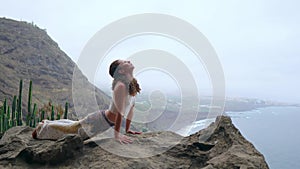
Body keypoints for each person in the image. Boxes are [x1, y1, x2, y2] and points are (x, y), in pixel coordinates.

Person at [32, 59, 141, 144]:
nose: (129, 61)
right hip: (100, 121)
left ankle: (47, 123)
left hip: (104, 121)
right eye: (125, 62)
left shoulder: (131, 86)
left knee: (74, 127)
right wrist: (117, 135)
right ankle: (41, 130)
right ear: (121, 71)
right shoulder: (121, 86)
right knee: (72, 131)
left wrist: (127, 130)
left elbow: (130, 109)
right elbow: (120, 112)